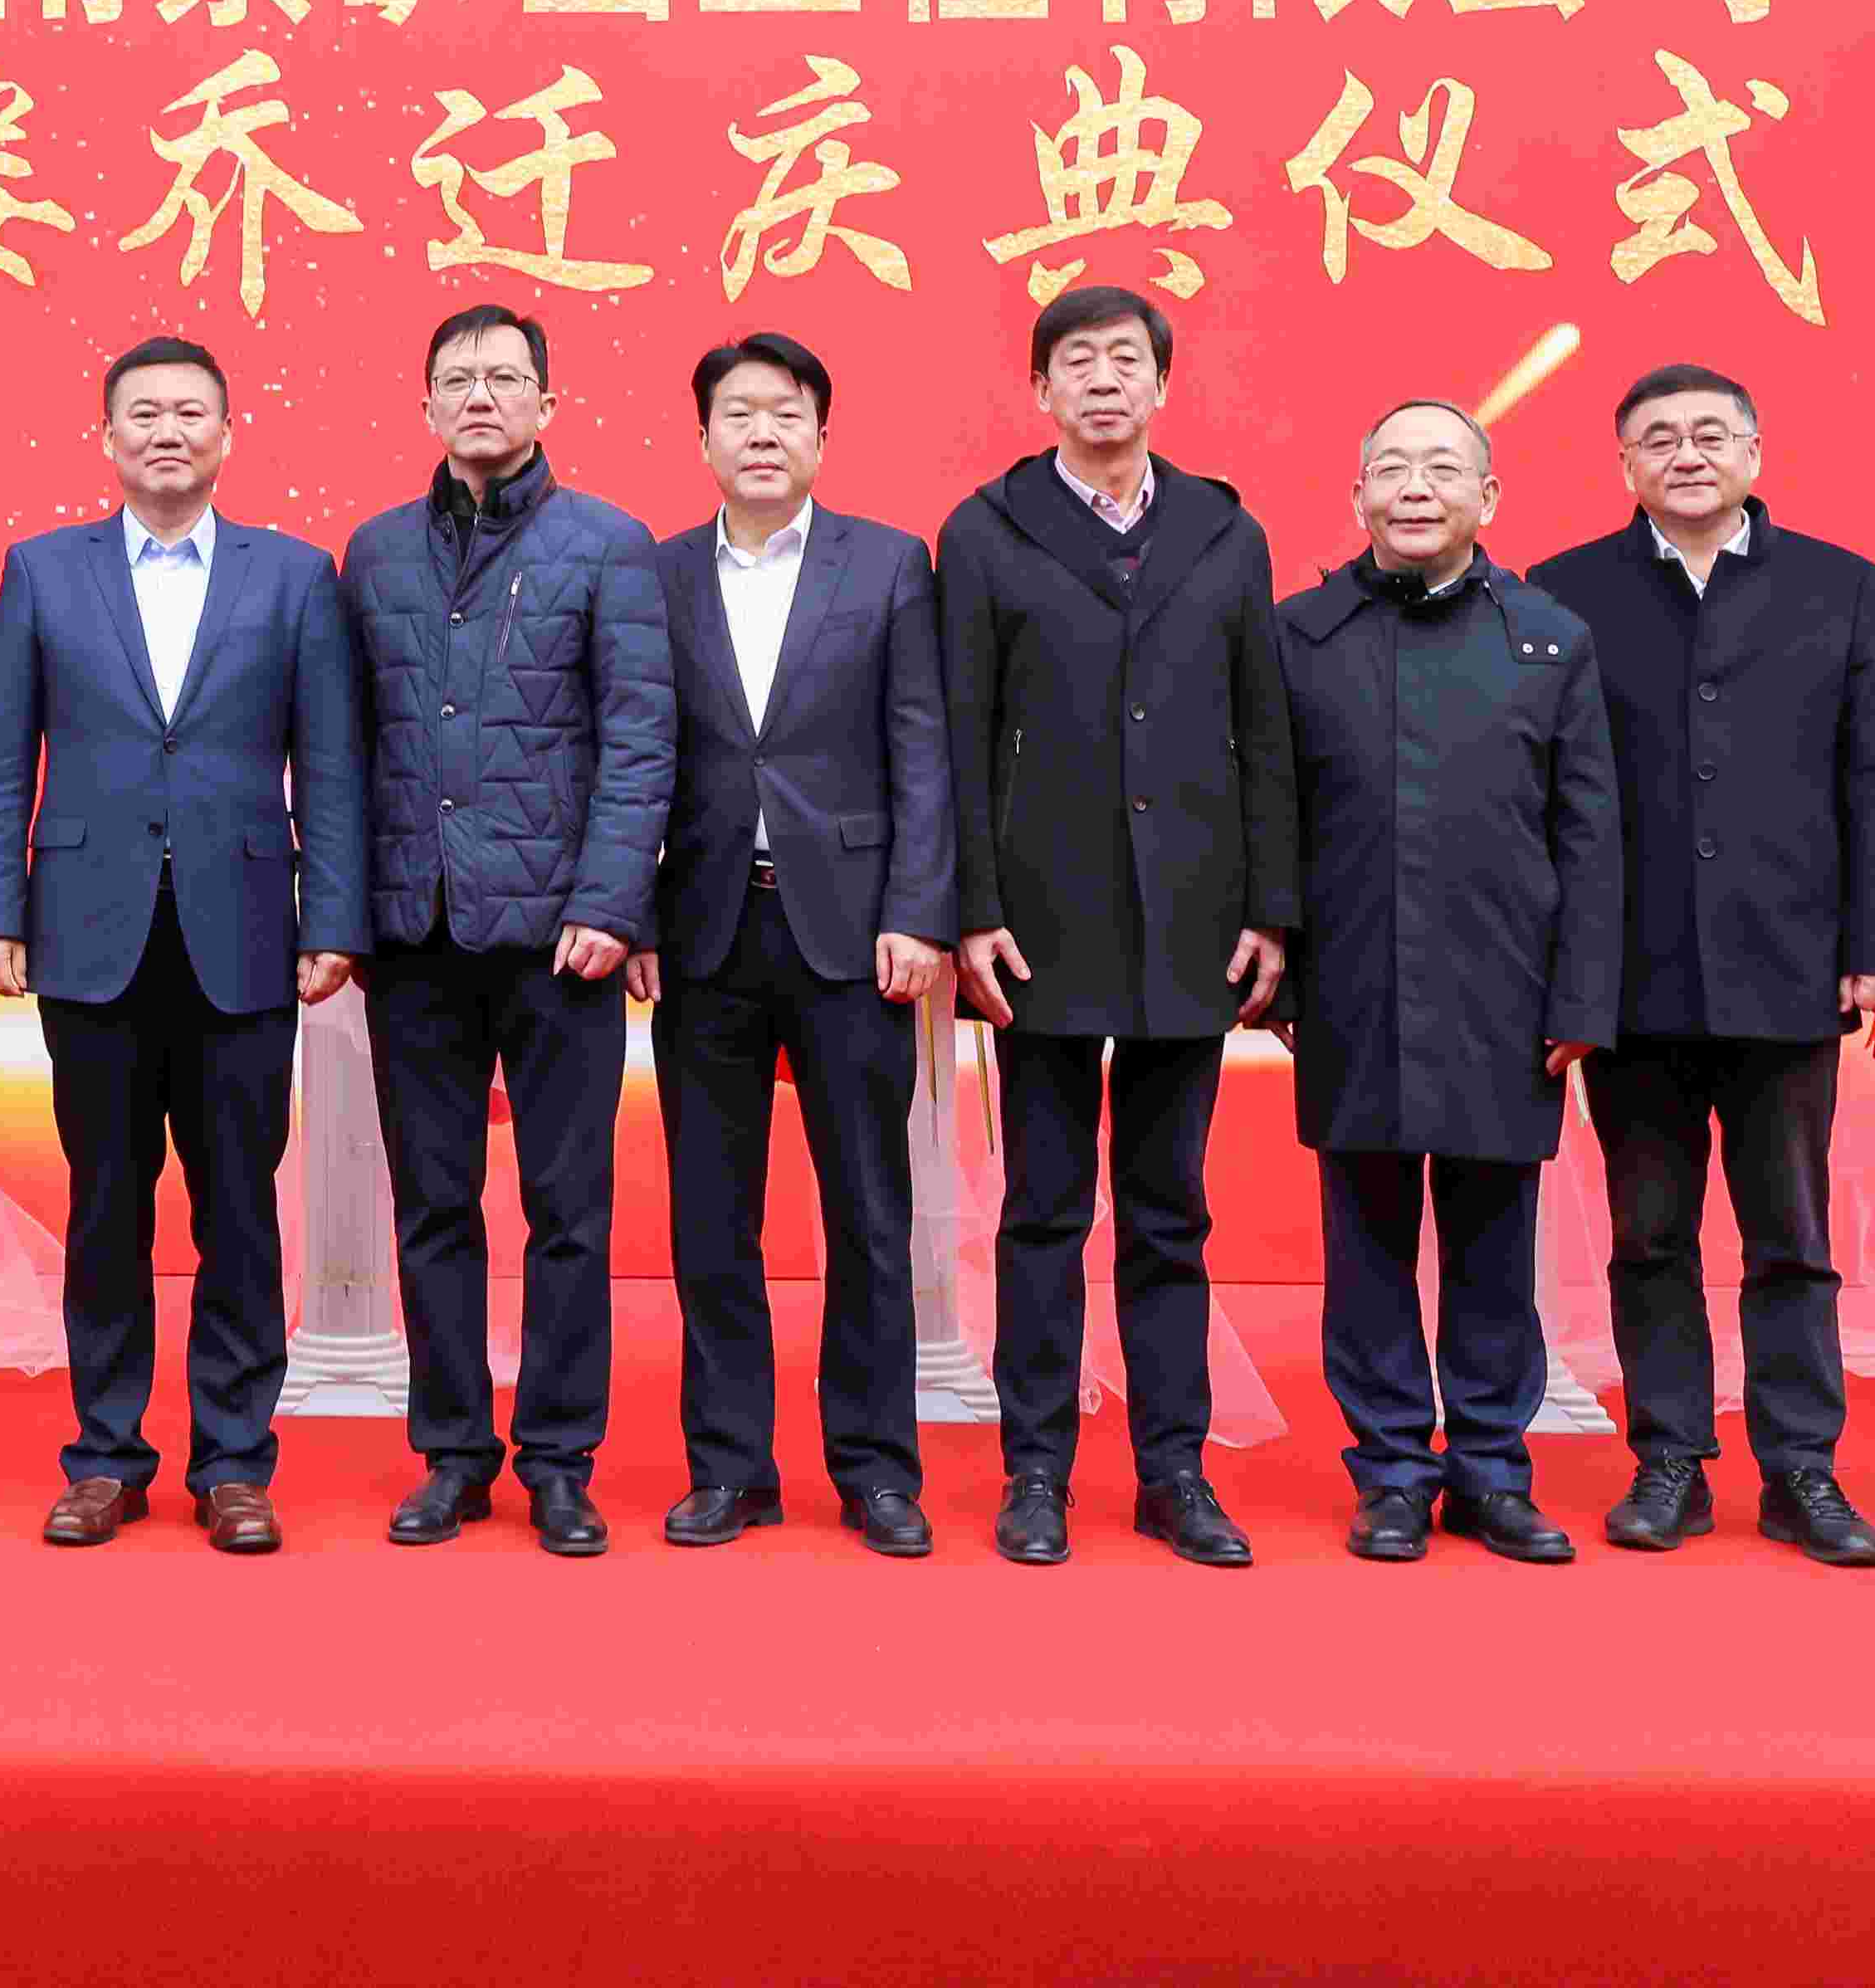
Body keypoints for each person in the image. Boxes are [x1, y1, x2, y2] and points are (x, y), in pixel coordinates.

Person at [0, 336, 369, 1556]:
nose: (167, 431)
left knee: (239, 1208)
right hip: (90, 931)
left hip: (247, 933)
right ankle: (106, 1456)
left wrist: (333, 919)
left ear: (229, 434)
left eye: (191, 412)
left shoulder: (295, 576)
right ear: (107, 436)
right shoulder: (44, 570)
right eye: (143, 413)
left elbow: (332, 766)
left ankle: (235, 1462)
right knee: (105, 1204)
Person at [1520, 363, 1875, 1568]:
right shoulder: (1566, 588)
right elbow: (1548, 791)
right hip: (1632, 974)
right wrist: (1567, 968)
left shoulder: (1838, 584)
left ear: (1754, 453)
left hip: (1788, 963)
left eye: (1711, 434)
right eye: (1658, 438)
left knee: (1790, 1234)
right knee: (1649, 1232)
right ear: (1625, 465)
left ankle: (1802, 1466)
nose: (1686, 454)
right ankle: (1670, 1460)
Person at [939, 283, 1296, 1571]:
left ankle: (1172, 1469)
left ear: (1162, 382)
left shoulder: (1224, 531)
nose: (1103, 378)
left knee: (1168, 1210)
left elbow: (1265, 729)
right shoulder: (986, 530)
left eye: (1126, 358)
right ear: (1041, 388)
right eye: (1077, 359)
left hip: (1193, 917)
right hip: (1038, 922)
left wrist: (1272, 908)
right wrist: (971, 908)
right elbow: (959, 733)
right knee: (1043, 1207)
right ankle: (1036, 1468)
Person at [337, 302, 676, 1559]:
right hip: (414, 932)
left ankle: (560, 1458)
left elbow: (640, 738)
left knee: (567, 1209)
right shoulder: (375, 552)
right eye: (457, 378)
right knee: (434, 1205)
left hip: (559, 939)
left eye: (503, 377)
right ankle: (452, 1452)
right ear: (425, 405)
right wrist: (345, 913)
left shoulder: (608, 544)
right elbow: (345, 746)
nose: (480, 396)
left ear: (547, 403)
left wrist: (609, 902)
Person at [1279, 401, 1620, 1568]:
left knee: (1494, 1245)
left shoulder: (1550, 638)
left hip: (1506, 991)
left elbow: (1589, 835)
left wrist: (1582, 996)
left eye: (1442, 468)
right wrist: (1282, 975)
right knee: (1366, 1245)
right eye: (1391, 469)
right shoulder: (1299, 635)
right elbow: (1267, 819)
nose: (1415, 488)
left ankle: (1489, 1469)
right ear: (1358, 497)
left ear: (1489, 496)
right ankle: (1389, 1472)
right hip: (1352, 983)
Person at [640, 330, 951, 1559]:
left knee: (869, 1211)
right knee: (712, 1218)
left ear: (823, 435)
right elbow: (635, 754)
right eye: (738, 413)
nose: (762, 432)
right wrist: (635, 913)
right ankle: (730, 1465)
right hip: (705, 927)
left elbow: (922, 745)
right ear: (703, 438)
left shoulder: (890, 564)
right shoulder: (657, 571)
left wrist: (918, 910)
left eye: (785, 412)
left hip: (855, 930)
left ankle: (876, 1468)